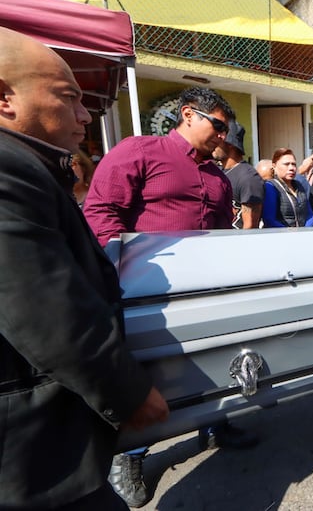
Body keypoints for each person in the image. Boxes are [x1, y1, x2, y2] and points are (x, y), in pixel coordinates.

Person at [0, 27, 168, 510]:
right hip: (32, 456)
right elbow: (43, 304)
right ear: (4, 97)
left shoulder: (33, 166)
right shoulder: (10, 169)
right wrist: (127, 392)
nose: (83, 114)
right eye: (67, 97)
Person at [83, 86, 257, 508]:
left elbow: (219, 236)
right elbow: (101, 215)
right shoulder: (138, 152)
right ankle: (130, 456)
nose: (222, 136)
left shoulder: (218, 178)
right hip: (145, 294)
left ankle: (215, 422)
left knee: (216, 354)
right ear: (187, 114)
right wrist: (124, 275)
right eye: (217, 125)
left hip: (202, 289)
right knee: (151, 372)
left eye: (227, 130)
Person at [212, 121, 264, 229]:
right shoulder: (219, 172)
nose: (214, 145)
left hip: (235, 243)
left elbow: (250, 227)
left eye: (218, 141)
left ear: (230, 144)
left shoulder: (248, 178)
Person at [263, 148, 313, 227]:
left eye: (293, 164)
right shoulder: (271, 187)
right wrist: (290, 234)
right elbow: (269, 220)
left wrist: (305, 231)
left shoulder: (299, 185)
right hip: (281, 236)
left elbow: (310, 214)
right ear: (274, 166)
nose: (291, 168)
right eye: (286, 164)